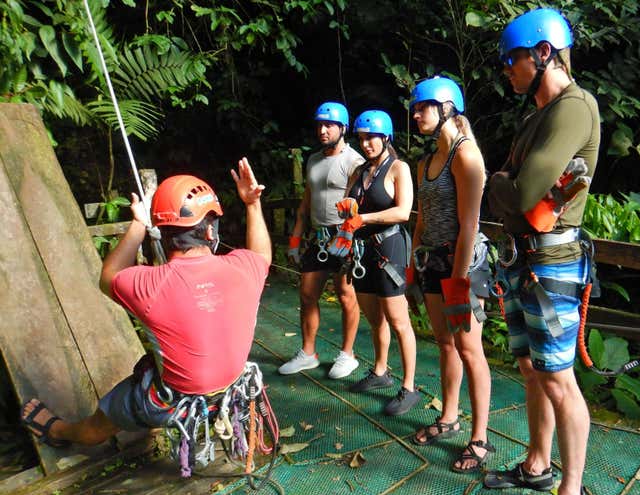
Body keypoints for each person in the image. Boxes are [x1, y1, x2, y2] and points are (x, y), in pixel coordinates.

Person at [21, 159, 272, 446]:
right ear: (210, 232)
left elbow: (109, 276)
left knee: (106, 416)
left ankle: (57, 431)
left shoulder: (150, 285)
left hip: (172, 403)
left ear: (162, 233)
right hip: (232, 392)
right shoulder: (244, 268)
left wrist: (139, 224)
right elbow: (262, 255)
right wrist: (252, 204)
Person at [483, 8, 600, 495]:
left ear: (544, 53)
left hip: (552, 261)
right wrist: (507, 186)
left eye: (513, 59)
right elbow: (512, 191)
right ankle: (537, 465)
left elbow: (519, 190)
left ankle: (572, 493)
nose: (507, 69)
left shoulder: (574, 108)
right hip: (523, 254)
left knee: (557, 377)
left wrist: (502, 184)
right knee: (531, 369)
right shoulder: (536, 115)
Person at [407, 76, 494, 473]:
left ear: (446, 108)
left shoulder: (466, 154)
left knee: (470, 349)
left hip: (464, 266)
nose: (416, 114)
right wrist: (412, 267)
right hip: (433, 263)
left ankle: (480, 438)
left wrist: (459, 283)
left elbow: (469, 226)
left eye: (423, 106)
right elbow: (422, 220)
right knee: (445, 343)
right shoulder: (426, 163)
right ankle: (449, 416)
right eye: (415, 107)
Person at [328, 110, 421, 416]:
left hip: (389, 248)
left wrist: (363, 218)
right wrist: (347, 209)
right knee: (373, 317)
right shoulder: (359, 171)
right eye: (362, 138)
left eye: (372, 138)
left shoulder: (398, 168)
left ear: (386, 137)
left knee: (398, 320)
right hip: (362, 251)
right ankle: (381, 371)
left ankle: (409, 386)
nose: (366, 144)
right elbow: (349, 205)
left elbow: (403, 211)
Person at [279, 101, 364, 379]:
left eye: (329, 125)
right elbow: (306, 202)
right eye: (319, 125)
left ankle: (348, 355)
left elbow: (359, 203)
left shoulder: (354, 162)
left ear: (342, 128)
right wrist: (295, 238)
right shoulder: (313, 160)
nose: (322, 130)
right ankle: (308, 353)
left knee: (346, 295)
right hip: (318, 237)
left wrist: (352, 237)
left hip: (344, 236)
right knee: (307, 294)